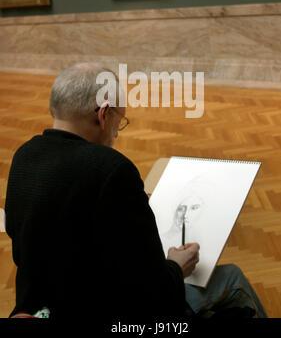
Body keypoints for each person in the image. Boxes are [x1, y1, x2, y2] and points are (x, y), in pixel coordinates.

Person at [5, 62, 267, 326]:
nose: (118, 132)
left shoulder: (24, 156)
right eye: (121, 121)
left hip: (38, 307)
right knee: (232, 278)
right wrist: (177, 265)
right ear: (104, 115)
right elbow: (154, 293)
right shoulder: (111, 169)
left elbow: (26, 248)